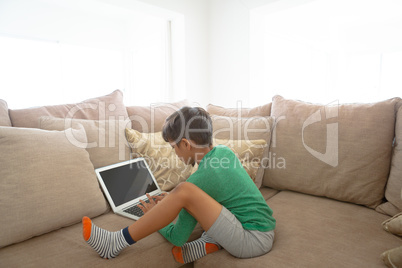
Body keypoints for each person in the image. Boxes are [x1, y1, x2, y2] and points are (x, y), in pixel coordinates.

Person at [82, 106, 276, 263]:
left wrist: (152, 214)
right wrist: (173, 201)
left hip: (253, 240)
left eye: (173, 147)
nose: (175, 152)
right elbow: (222, 194)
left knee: (184, 190)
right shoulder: (223, 152)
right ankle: (209, 243)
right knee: (183, 193)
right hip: (262, 229)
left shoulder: (201, 180)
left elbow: (177, 237)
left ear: (185, 144)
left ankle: (115, 242)